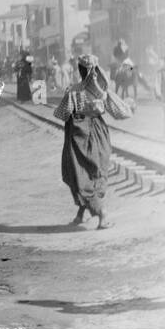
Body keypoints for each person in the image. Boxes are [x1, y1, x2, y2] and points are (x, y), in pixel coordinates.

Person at [55, 55, 113, 230]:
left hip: (79, 137)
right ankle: (81, 214)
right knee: (94, 172)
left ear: (80, 70)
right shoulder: (100, 90)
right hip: (99, 134)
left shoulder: (73, 90)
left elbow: (62, 114)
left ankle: (102, 215)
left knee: (79, 173)